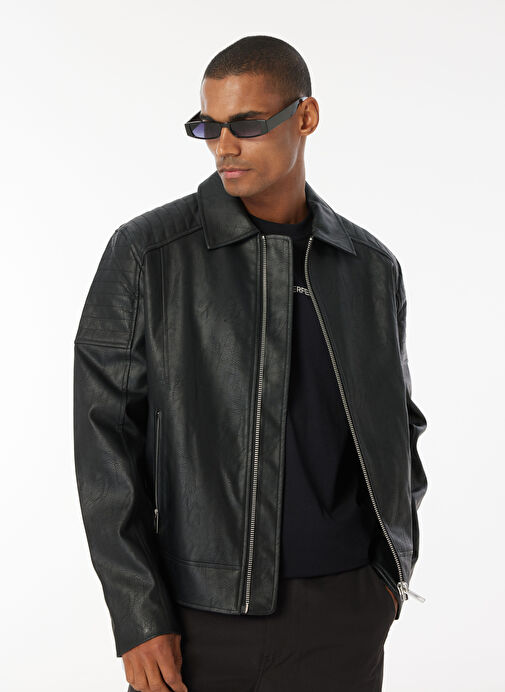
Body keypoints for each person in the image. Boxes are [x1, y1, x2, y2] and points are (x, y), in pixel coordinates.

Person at [73, 34, 428, 692]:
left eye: (247, 124)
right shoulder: (149, 254)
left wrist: (387, 574)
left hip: (346, 609)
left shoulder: (369, 268)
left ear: (305, 116)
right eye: (208, 126)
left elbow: (396, 427)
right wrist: (137, 614)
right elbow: (105, 445)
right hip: (197, 618)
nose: (224, 146)